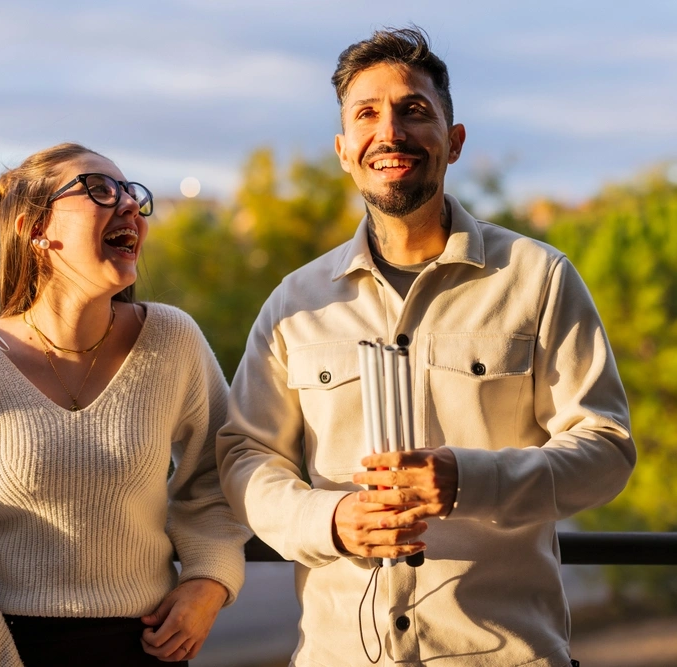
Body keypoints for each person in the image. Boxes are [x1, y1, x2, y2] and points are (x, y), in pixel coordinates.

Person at [217, 27, 636, 667]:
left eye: (414, 110)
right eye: (367, 114)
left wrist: (472, 481)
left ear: (455, 140)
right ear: (343, 149)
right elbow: (245, 455)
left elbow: (605, 449)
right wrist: (325, 522)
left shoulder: (539, 278)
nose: (390, 132)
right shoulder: (294, 303)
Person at [0, 143, 249, 667]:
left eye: (133, 194)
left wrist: (209, 579)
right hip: (6, 651)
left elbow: (221, 470)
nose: (128, 205)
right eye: (99, 189)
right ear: (33, 228)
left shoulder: (173, 339)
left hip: (148, 649)